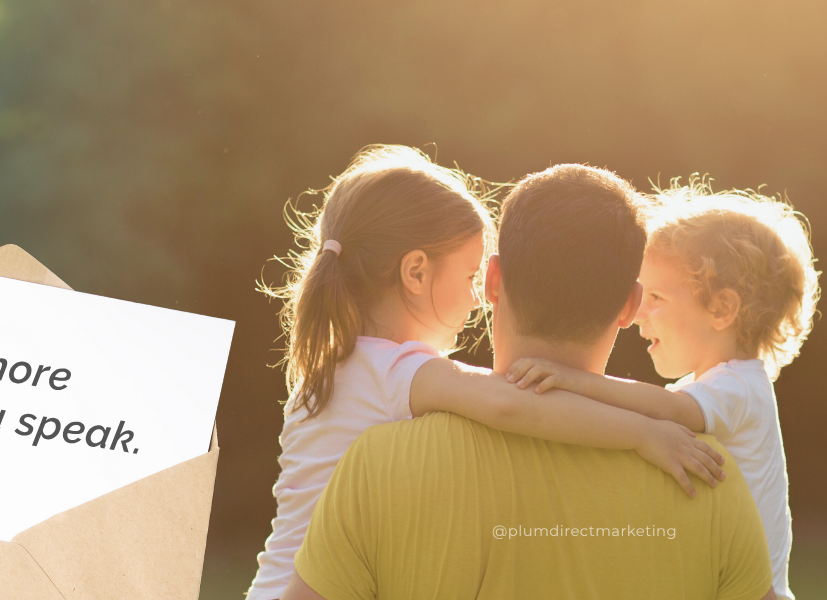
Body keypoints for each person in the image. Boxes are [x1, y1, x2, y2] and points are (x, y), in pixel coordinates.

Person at [245, 148, 727, 600]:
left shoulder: (346, 365)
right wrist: (642, 433)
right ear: (415, 273)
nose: (478, 297)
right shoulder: (396, 371)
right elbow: (507, 402)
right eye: (470, 276)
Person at [506, 182, 818, 600]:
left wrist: (575, 379)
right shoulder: (707, 387)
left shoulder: (741, 387)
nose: (637, 314)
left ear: (722, 309)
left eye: (655, 296)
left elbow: (667, 411)